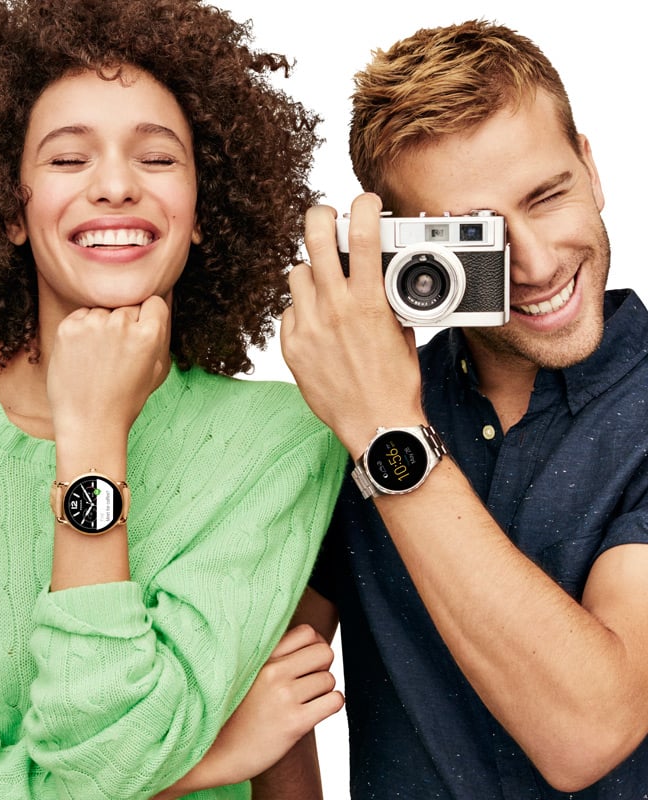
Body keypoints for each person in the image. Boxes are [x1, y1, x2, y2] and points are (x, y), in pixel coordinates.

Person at [0, 1, 348, 798]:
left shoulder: (286, 442)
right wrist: (209, 762)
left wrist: (91, 438)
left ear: (200, 213)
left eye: (157, 160)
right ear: (12, 208)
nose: (115, 187)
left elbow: (104, 754)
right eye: (68, 160)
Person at [275, 18, 648, 799]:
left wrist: (389, 437)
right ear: (409, 242)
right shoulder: (356, 406)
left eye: (548, 196)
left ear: (591, 165)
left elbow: (590, 728)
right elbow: (270, 679)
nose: (538, 264)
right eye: (477, 236)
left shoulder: (373, 416)